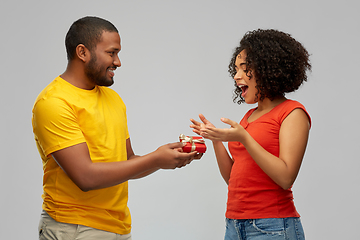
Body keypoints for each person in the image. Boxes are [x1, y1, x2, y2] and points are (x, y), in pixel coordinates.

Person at [32, 16, 201, 240]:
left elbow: (128, 161)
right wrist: (155, 159)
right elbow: (85, 177)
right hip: (74, 228)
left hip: (117, 229)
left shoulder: (113, 99)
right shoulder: (54, 103)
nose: (118, 62)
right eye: (111, 53)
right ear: (82, 52)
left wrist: (166, 159)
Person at [190, 29, 311, 240]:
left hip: (273, 226)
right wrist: (216, 140)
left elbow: (285, 177)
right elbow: (232, 178)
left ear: (268, 69)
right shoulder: (249, 116)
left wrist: (244, 138)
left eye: (244, 69)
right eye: (235, 69)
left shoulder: (292, 112)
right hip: (235, 225)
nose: (236, 76)